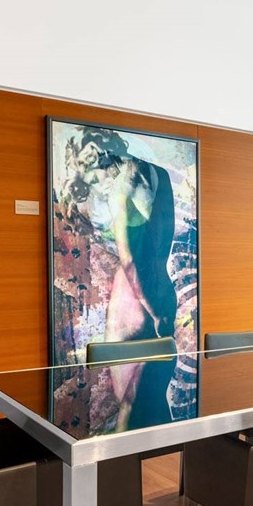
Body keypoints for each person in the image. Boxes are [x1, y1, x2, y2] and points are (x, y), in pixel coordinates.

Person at [63, 126, 178, 430]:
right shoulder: (159, 175)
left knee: (128, 402)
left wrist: (150, 308)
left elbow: (128, 259)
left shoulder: (118, 193)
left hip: (132, 300)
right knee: (152, 393)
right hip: (162, 289)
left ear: (101, 158)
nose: (97, 185)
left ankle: (117, 469)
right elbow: (158, 244)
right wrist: (159, 305)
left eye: (94, 176)